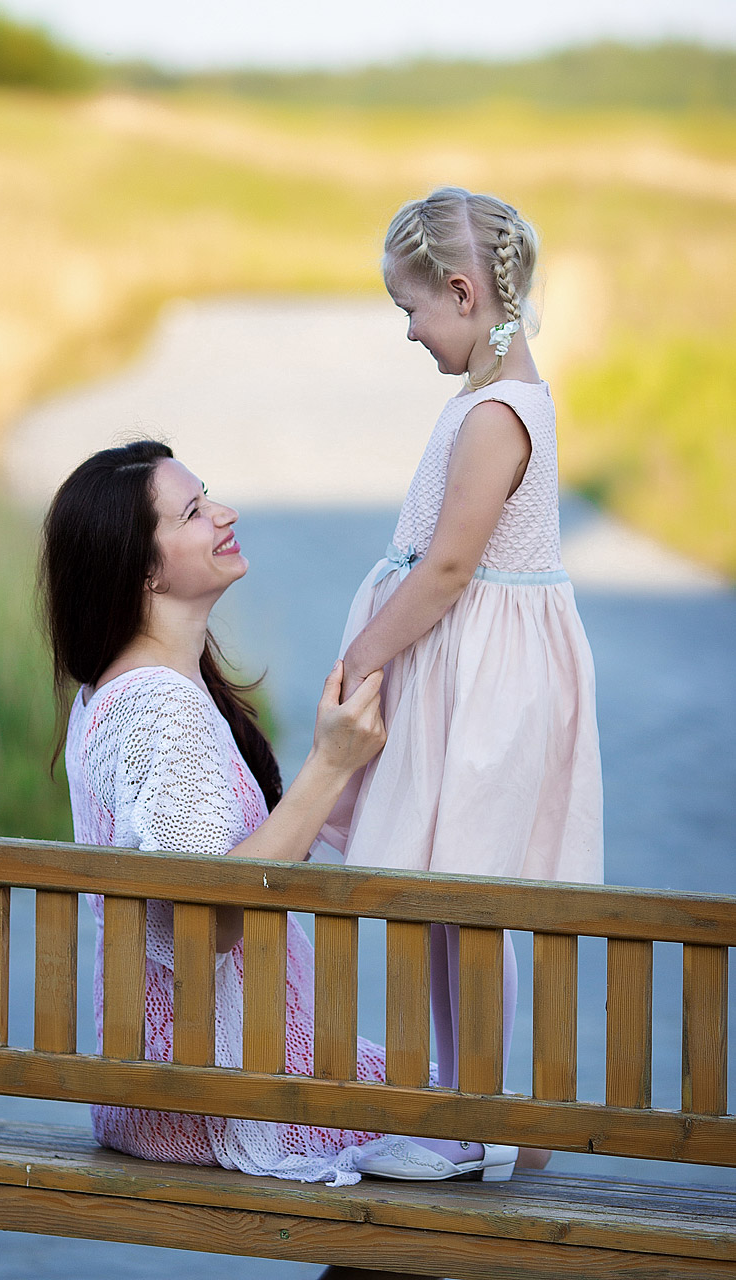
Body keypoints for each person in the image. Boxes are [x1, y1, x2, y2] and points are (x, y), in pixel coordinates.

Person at [40, 438, 424, 1193]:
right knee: (504, 1133)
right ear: (143, 568)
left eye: (207, 495)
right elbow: (207, 916)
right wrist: (332, 764)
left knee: (475, 1123)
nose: (224, 513)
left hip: (172, 1075)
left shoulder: (129, 689)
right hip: (212, 1090)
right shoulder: (159, 706)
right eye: (191, 511)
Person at [320, 187, 603, 1182]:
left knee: (464, 886)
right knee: (438, 890)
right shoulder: (486, 398)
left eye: (412, 310)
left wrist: (362, 658)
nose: (408, 332)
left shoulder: (498, 414)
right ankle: (446, 1105)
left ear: (462, 288)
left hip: (477, 686)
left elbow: (448, 569)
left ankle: (464, 1112)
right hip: (456, 676)